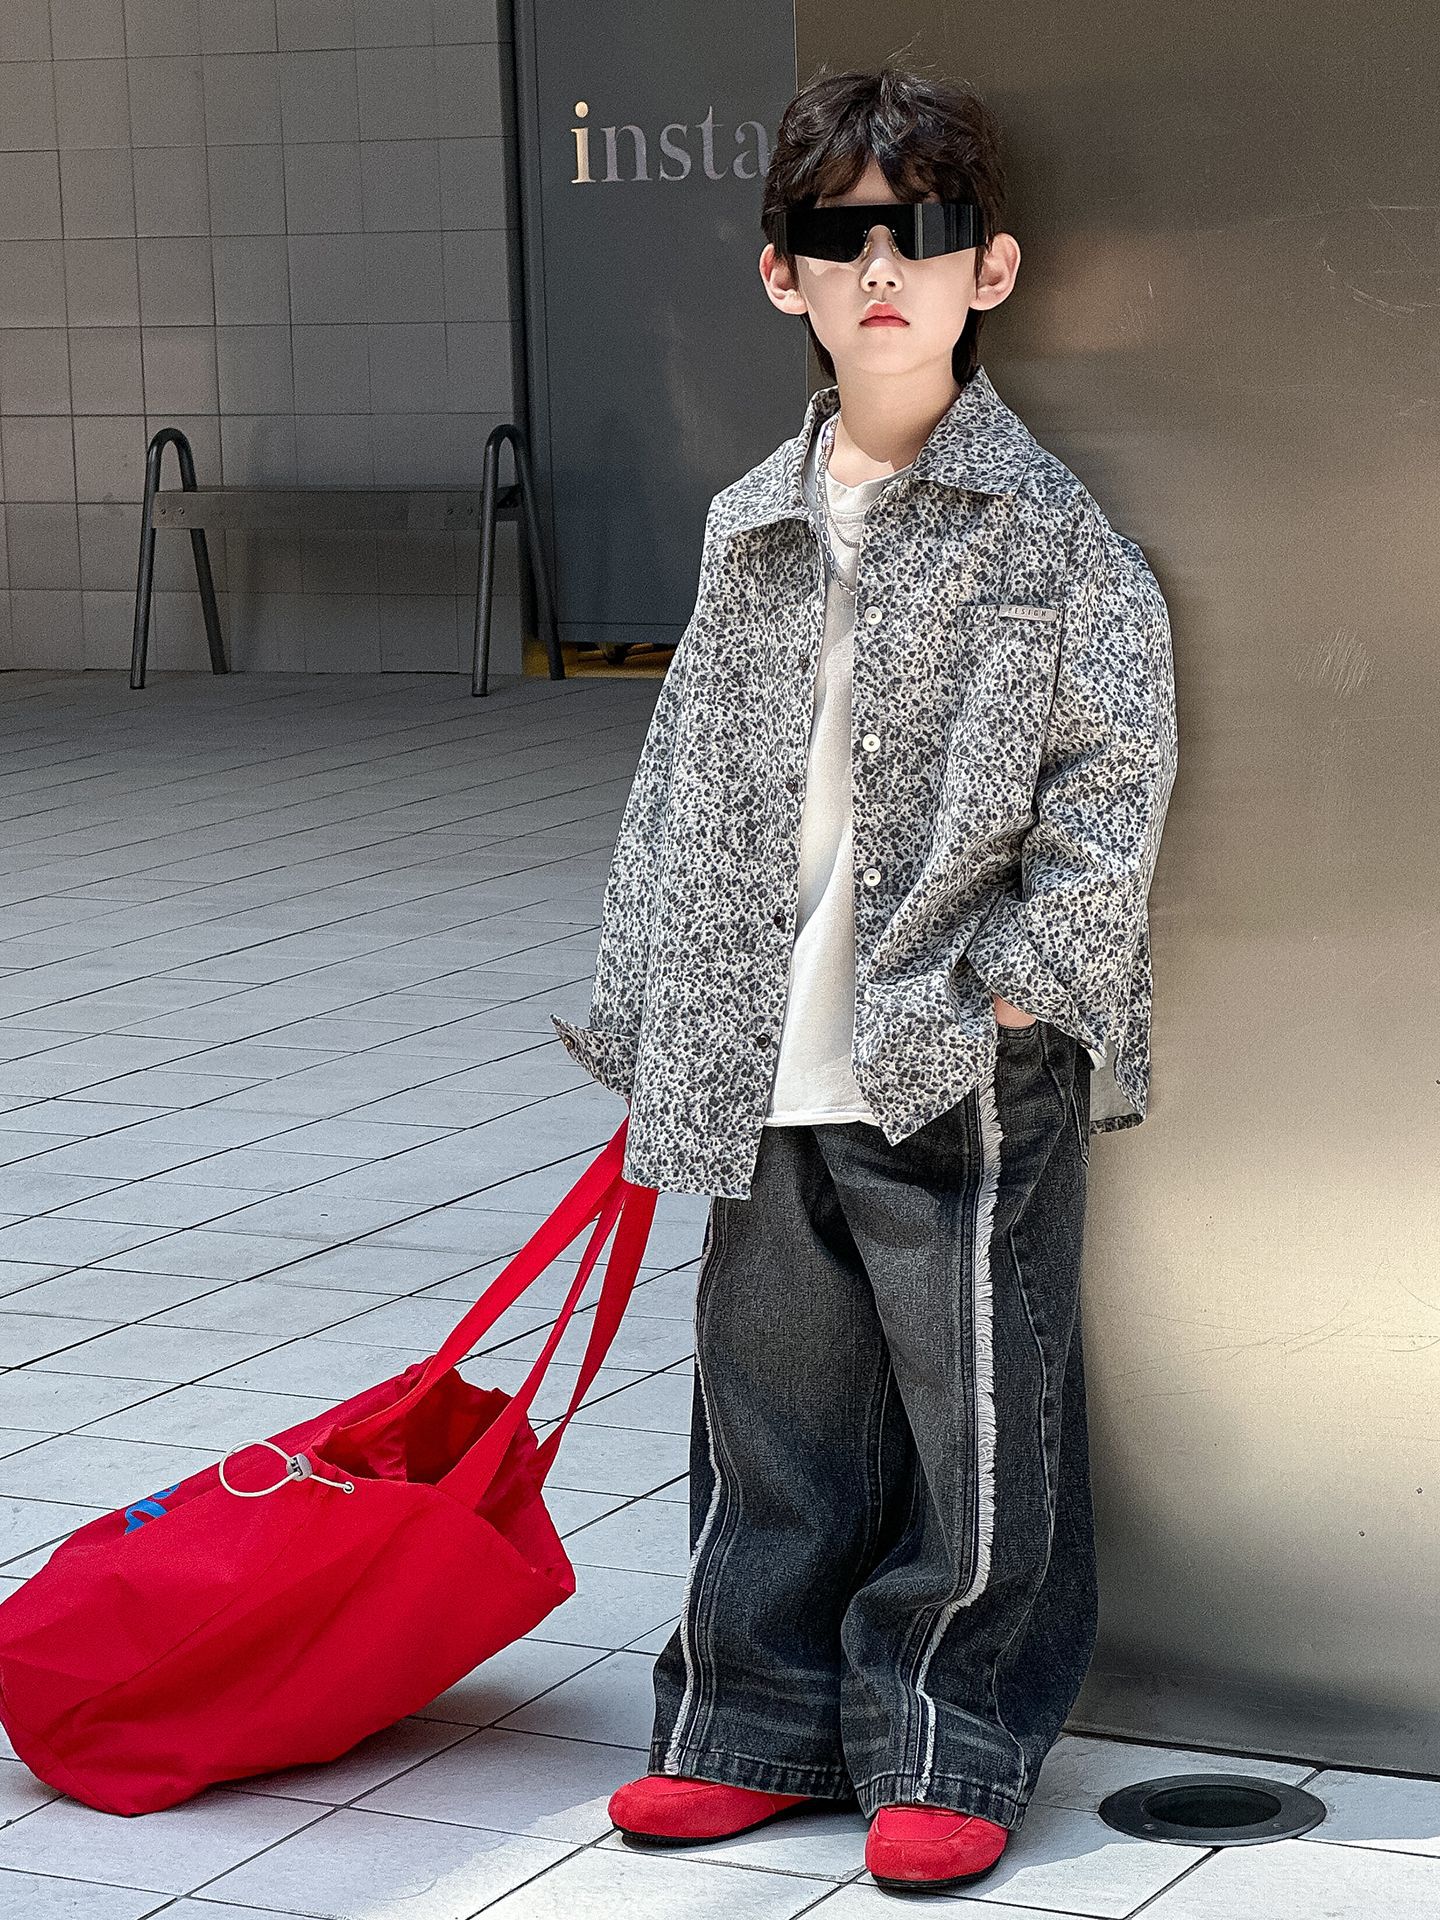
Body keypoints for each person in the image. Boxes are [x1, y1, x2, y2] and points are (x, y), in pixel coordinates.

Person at [551, 62, 1179, 1896]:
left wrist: (1023, 983)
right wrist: (655, 1006)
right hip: (768, 1043)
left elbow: (1114, 770)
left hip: (951, 1043)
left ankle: (950, 1737)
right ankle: (748, 1720)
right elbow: (681, 774)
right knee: (770, 1401)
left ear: (992, 268)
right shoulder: (750, 520)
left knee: (978, 1409)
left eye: (922, 232)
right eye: (841, 237)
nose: (881, 267)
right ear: (784, 276)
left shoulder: (1043, 528)